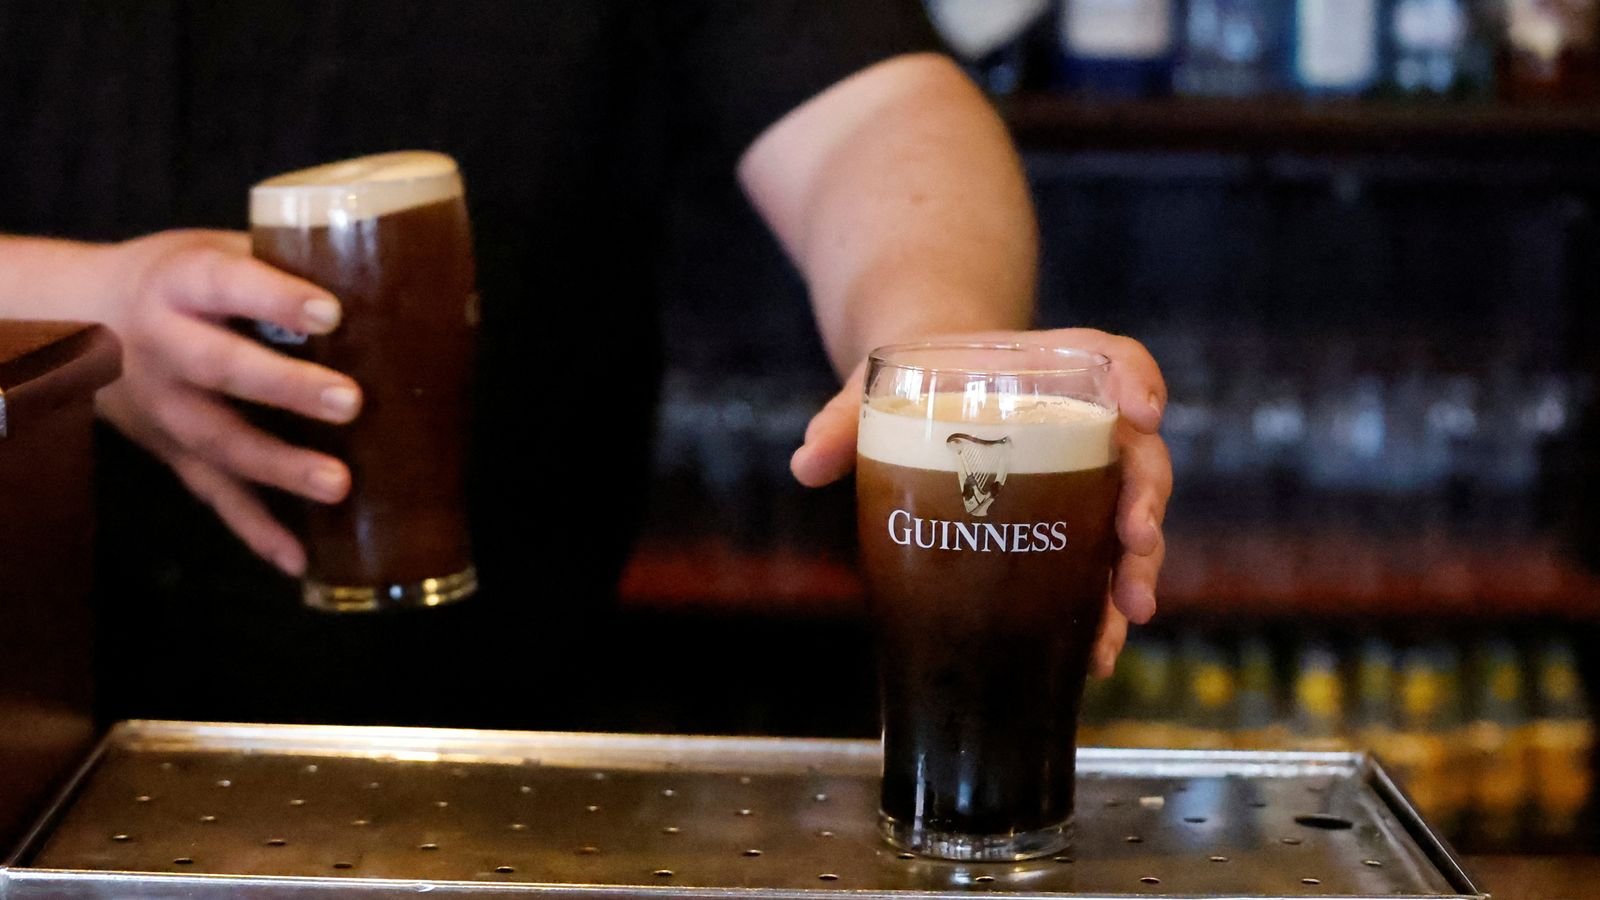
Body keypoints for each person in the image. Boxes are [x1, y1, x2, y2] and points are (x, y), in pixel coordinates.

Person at [0, 1, 1169, 729]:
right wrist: (77, 309)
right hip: (29, 735)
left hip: (507, 723)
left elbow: (874, 108)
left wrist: (940, 358)